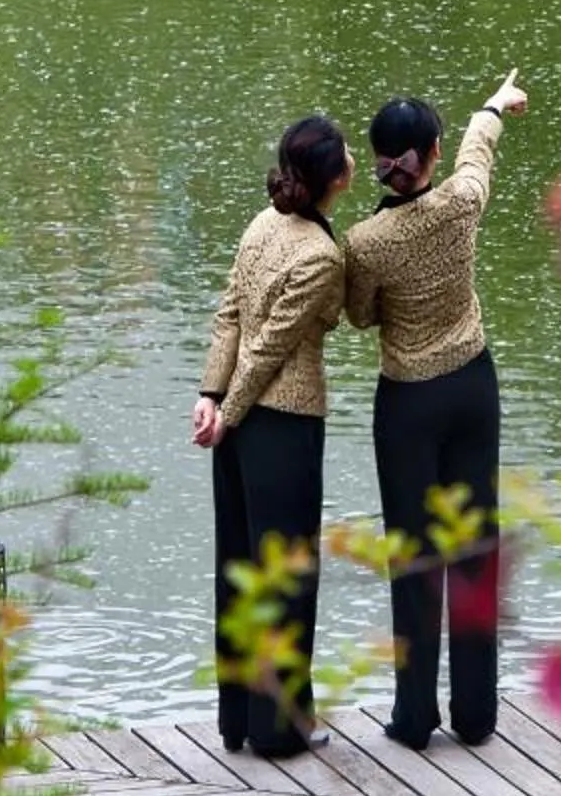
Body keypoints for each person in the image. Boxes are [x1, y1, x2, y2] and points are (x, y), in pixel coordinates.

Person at [344, 71, 528, 750]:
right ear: (433, 155)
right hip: (472, 388)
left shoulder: (364, 243)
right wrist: (494, 106)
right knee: (476, 548)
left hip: (408, 403)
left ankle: (414, 716)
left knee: (414, 554)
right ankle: (477, 714)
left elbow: (360, 316)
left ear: (379, 162)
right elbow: (480, 152)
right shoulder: (462, 202)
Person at [192, 112, 352, 757]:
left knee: (238, 569)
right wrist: (225, 408)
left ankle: (240, 720)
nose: (353, 161)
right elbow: (267, 349)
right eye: (345, 154)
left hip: (235, 426)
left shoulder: (263, 225)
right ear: (331, 177)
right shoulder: (320, 254)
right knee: (284, 577)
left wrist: (209, 396)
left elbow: (228, 314)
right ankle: (281, 727)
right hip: (280, 426)